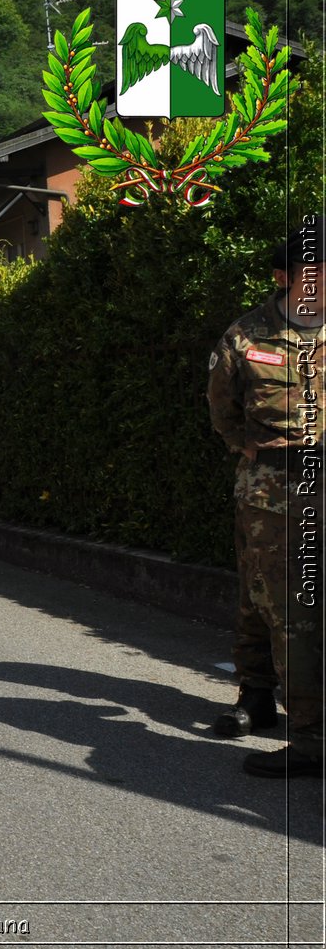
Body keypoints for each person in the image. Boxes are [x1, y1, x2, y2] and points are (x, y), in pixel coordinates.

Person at [207, 220, 325, 778]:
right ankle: (290, 725)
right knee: (274, 606)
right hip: (270, 493)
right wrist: (250, 450)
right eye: (313, 273)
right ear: (283, 278)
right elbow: (222, 410)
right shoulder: (246, 336)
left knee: (293, 610)